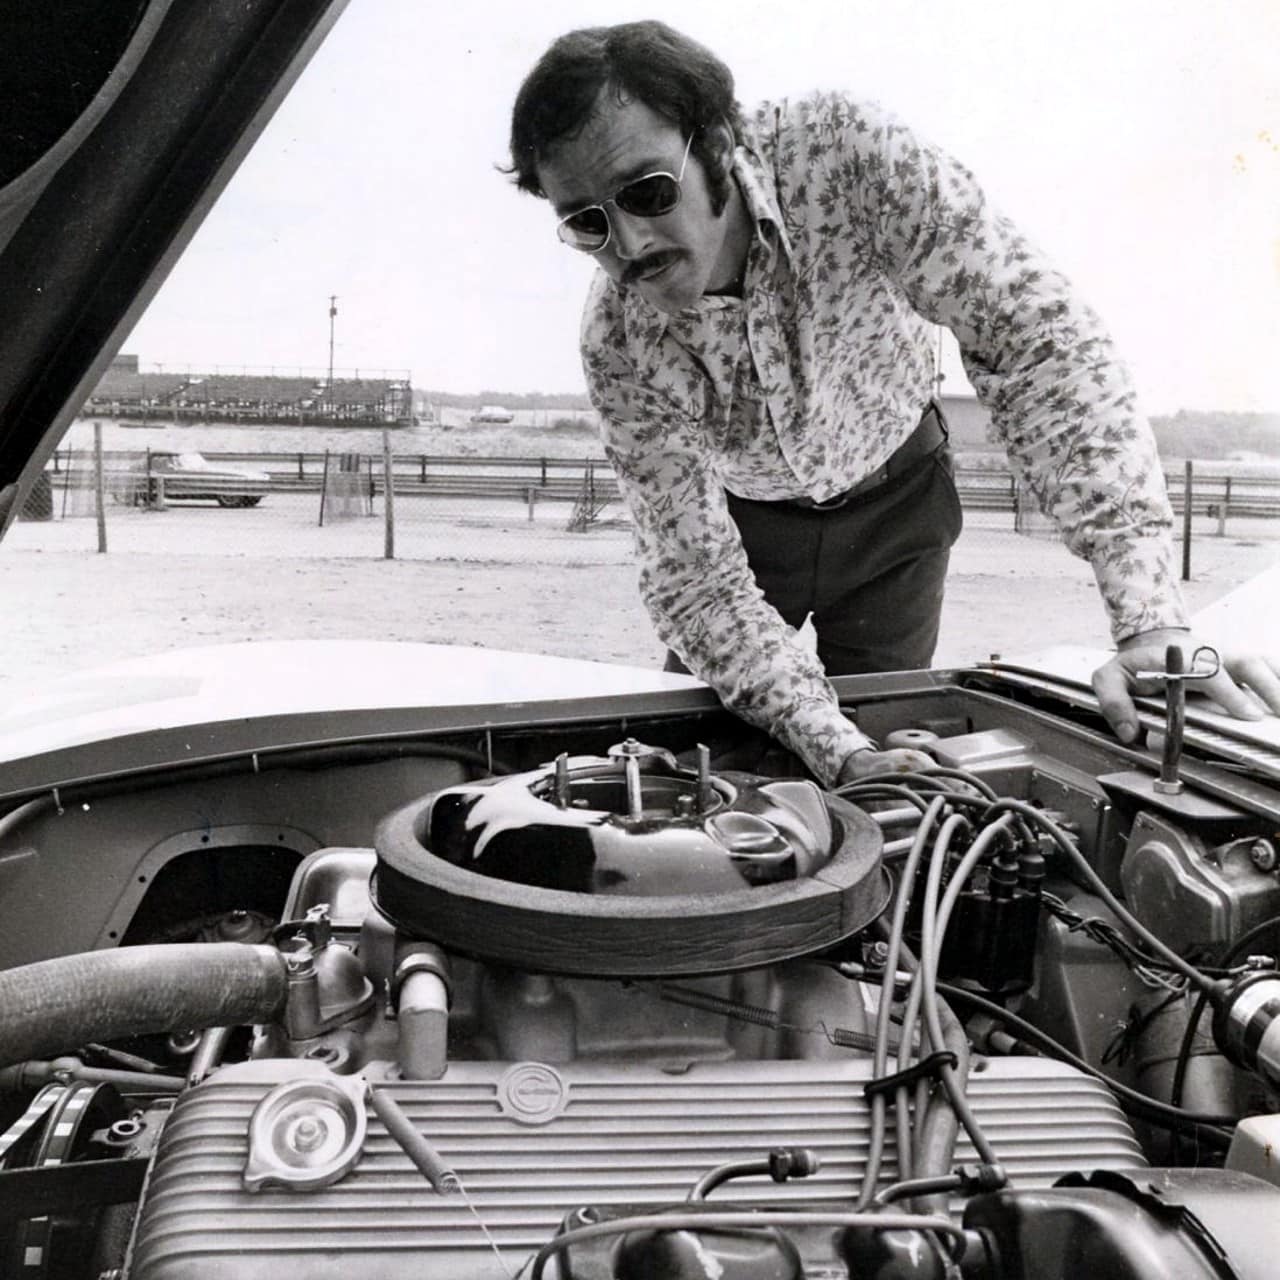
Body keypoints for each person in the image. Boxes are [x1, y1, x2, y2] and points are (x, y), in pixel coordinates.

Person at [506, 20, 1280, 786]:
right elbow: (695, 580)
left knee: (893, 759)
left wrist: (1149, 619)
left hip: (898, 512)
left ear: (715, 143)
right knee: (711, 768)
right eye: (586, 221)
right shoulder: (616, 339)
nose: (629, 244)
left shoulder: (846, 154)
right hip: (746, 533)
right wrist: (838, 751)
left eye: (647, 192)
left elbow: (1037, 341)